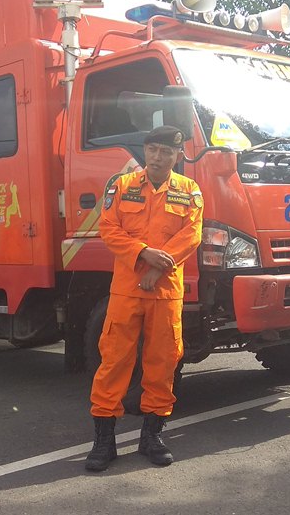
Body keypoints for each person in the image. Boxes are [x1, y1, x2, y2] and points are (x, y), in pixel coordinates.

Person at [84, 126, 204, 472]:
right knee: (114, 361)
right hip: (127, 290)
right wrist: (142, 254)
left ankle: (152, 436)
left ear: (177, 156)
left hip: (164, 292)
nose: (157, 157)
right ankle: (104, 442)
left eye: (165, 152)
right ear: (145, 150)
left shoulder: (189, 191)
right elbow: (109, 229)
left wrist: (157, 269)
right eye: (152, 150)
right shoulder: (121, 186)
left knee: (162, 363)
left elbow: (191, 235)